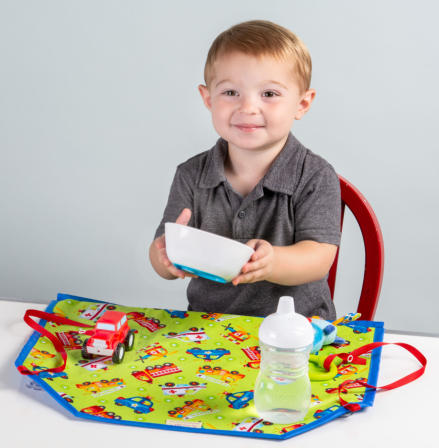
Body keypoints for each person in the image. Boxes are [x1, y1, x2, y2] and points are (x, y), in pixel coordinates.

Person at [149, 20, 341, 320]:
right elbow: (162, 252)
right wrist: (164, 257)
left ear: (302, 104)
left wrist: (272, 262)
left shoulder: (315, 175)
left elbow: (319, 257)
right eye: (230, 93)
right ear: (208, 98)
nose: (248, 107)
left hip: (296, 330)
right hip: (209, 326)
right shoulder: (191, 174)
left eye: (269, 94)